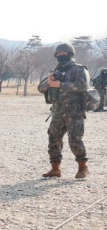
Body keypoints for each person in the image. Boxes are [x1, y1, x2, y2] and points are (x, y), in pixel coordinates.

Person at [39, 42, 91, 179]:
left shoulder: (79, 69)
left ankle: (82, 167)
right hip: (57, 111)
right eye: (59, 54)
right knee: (53, 139)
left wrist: (60, 85)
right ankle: (55, 168)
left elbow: (83, 85)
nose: (61, 56)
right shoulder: (55, 71)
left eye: (64, 53)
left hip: (74, 111)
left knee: (75, 140)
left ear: (70, 54)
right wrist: (49, 82)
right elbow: (41, 88)